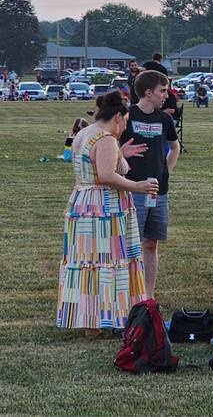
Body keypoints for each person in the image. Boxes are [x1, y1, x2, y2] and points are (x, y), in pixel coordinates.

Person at [56, 91, 156, 333]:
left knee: (87, 260)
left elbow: (97, 166)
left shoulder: (84, 133)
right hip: (105, 206)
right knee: (108, 259)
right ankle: (107, 317)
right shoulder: (106, 138)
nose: (124, 127)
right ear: (119, 117)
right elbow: (107, 175)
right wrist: (138, 186)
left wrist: (122, 153)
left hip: (83, 202)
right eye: (125, 121)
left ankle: (90, 320)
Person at [121, 70, 180, 300]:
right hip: (133, 189)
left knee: (151, 243)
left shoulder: (164, 119)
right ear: (148, 92)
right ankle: (128, 296)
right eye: (163, 90)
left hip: (158, 191)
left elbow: (174, 147)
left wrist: (167, 171)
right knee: (130, 245)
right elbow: (108, 147)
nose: (167, 95)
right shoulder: (127, 115)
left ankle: (148, 296)